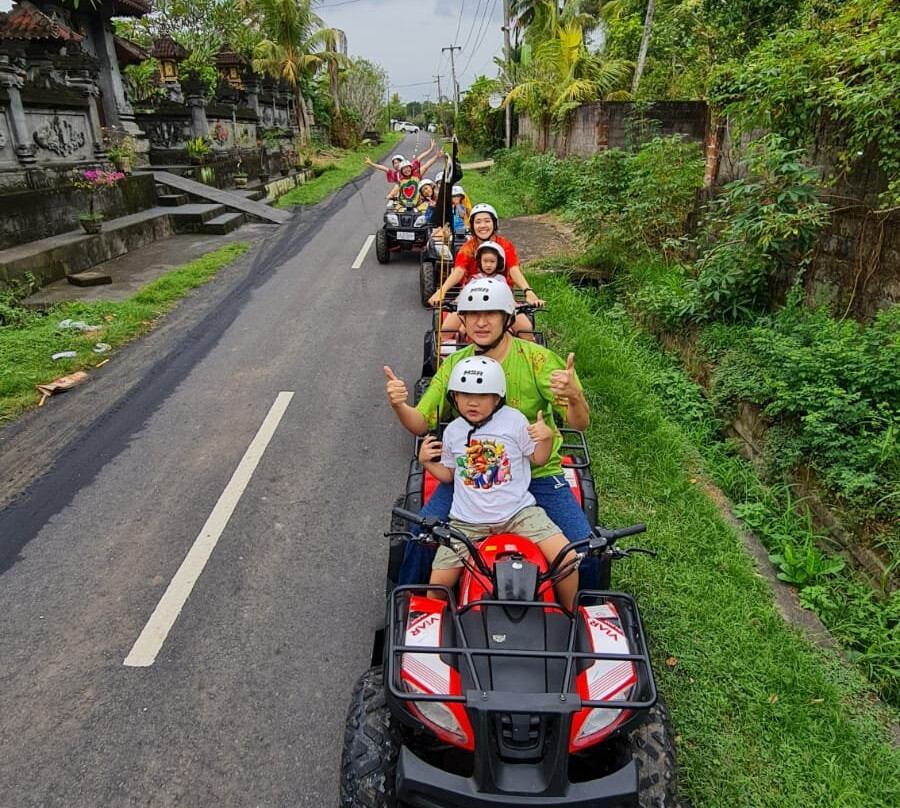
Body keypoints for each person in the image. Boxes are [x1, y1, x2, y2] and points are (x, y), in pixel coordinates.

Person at [384, 276, 596, 587]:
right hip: (471, 477)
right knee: (420, 539)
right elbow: (421, 422)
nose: (481, 323)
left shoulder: (538, 360)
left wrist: (574, 395)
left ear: (508, 318)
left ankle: (580, 613)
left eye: (490, 314)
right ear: (463, 320)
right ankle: (413, 608)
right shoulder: (455, 363)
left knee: (585, 552)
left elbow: (579, 423)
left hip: (538, 473)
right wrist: (400, 405)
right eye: (472, 315)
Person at [418, 356, 578, 608]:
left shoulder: (515, 421)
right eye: (464, 394)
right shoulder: (453, 432)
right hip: (466, 523)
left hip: (518, 514)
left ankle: (570, 613)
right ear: (454, 397)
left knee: (567, 558)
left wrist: (546, 438)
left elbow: (539, 458)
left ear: (497, 397)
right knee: (437, 585)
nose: (472, 402)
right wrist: (427, 462)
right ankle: (440, 624)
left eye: (482, 395)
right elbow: (450, 475)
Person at [427, 203, 543, 310]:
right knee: (451, 322)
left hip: (502, 296)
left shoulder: (505, 245)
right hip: (472, 295)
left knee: (522, 323)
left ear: (494, 223)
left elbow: (513, 268)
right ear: (472, 226)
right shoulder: (467, 248)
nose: (482, 226)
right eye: (478, 222)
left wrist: (527, 290)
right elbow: (459, 271)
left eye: (487, 221)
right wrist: (442, 291)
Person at [434, 241, 537, 341]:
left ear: (498, 263)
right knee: (448, 331)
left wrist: (526, 301)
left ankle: (525, 347)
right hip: (473, 310)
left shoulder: (501, 279)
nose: (488, 265)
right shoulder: (474, 279)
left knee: (525, 331)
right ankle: (455, 343)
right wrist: (453, 302)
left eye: (492, 262)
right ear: (480, 262)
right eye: (485, 261)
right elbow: (463, 296)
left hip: (498, 311)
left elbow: (508, 298)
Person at [364, 140, 437, 182]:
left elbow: (420, 157)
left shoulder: (411, 167)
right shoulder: (395, 175)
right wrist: (371, 164)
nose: (396, 165)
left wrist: (431, 149)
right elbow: (384, 168)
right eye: (394, 163)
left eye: (398, 162)